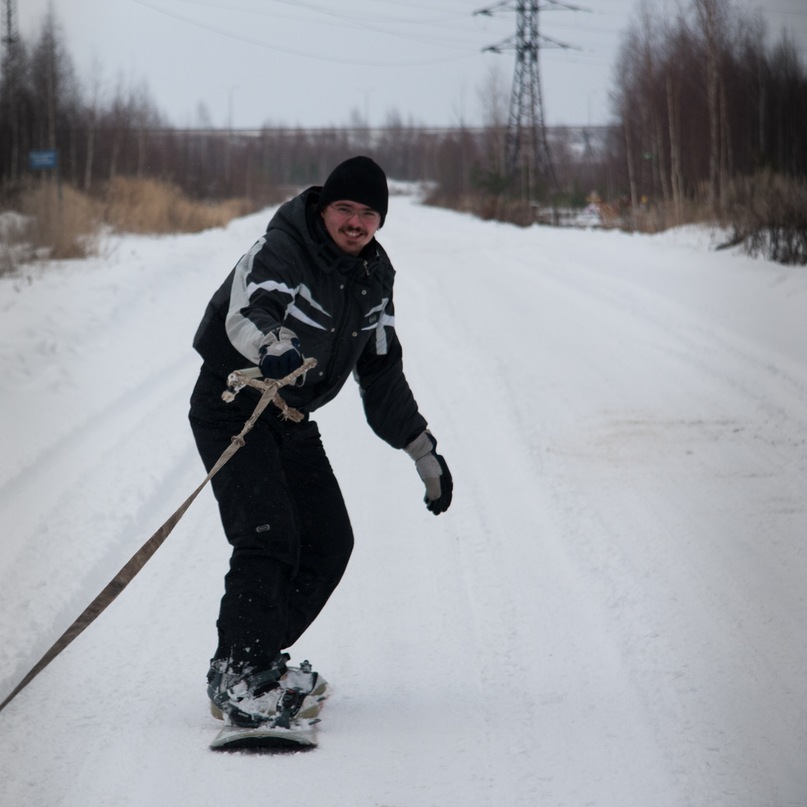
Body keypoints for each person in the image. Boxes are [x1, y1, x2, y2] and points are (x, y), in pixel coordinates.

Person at [188, 155, 453, 729]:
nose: (355, 223)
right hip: (234, 401)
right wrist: (273, 344)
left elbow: (381, 372)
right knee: (269, 534)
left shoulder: (373, 279)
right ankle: (241, 670)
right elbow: (250, 310)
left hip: (289, 412)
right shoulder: (282, 247)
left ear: (380, 221)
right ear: (324, 207)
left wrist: (421, 449)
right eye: (345, 209)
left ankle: (251, 660)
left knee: (331, 540)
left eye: (368, 214)